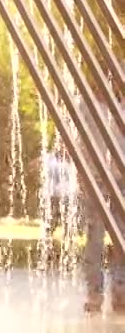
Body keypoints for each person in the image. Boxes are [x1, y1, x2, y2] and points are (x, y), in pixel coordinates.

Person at [78, 87, 125, 313]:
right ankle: (94, 291)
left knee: (122, 238)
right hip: (96, 178)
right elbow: (80, 142)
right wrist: (82, 176)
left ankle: (120, 288)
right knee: (94, 237)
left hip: (122, 177)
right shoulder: (87, 105)